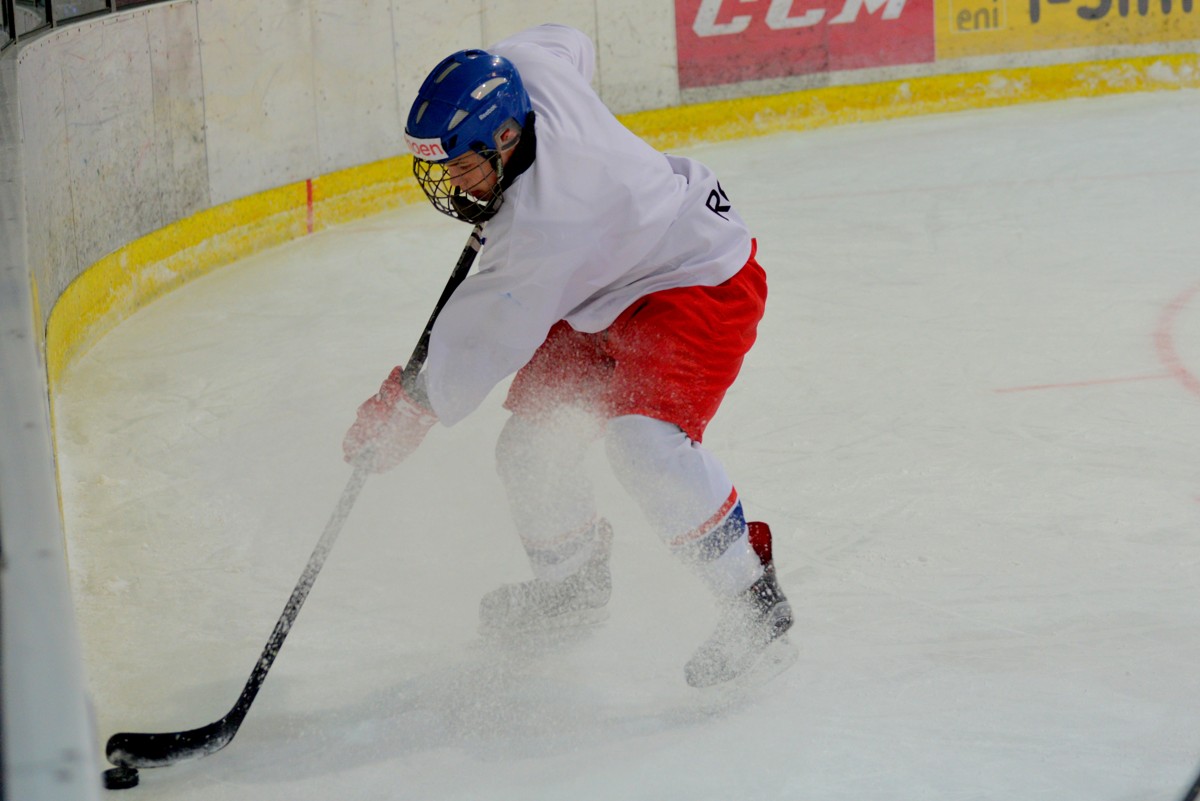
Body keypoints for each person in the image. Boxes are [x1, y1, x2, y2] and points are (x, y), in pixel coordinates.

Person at [342, 24, 792, 687]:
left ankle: (751, 599)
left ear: (505, 137)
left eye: (461, 166)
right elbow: (569, 42)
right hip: (600, 282)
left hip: (694, 277)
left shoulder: (542, 228)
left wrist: (407, 406)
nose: (453, 183)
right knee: (530, 445)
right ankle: (571, 584)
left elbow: (482, 339)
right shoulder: (525, 69)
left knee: (643, 443)